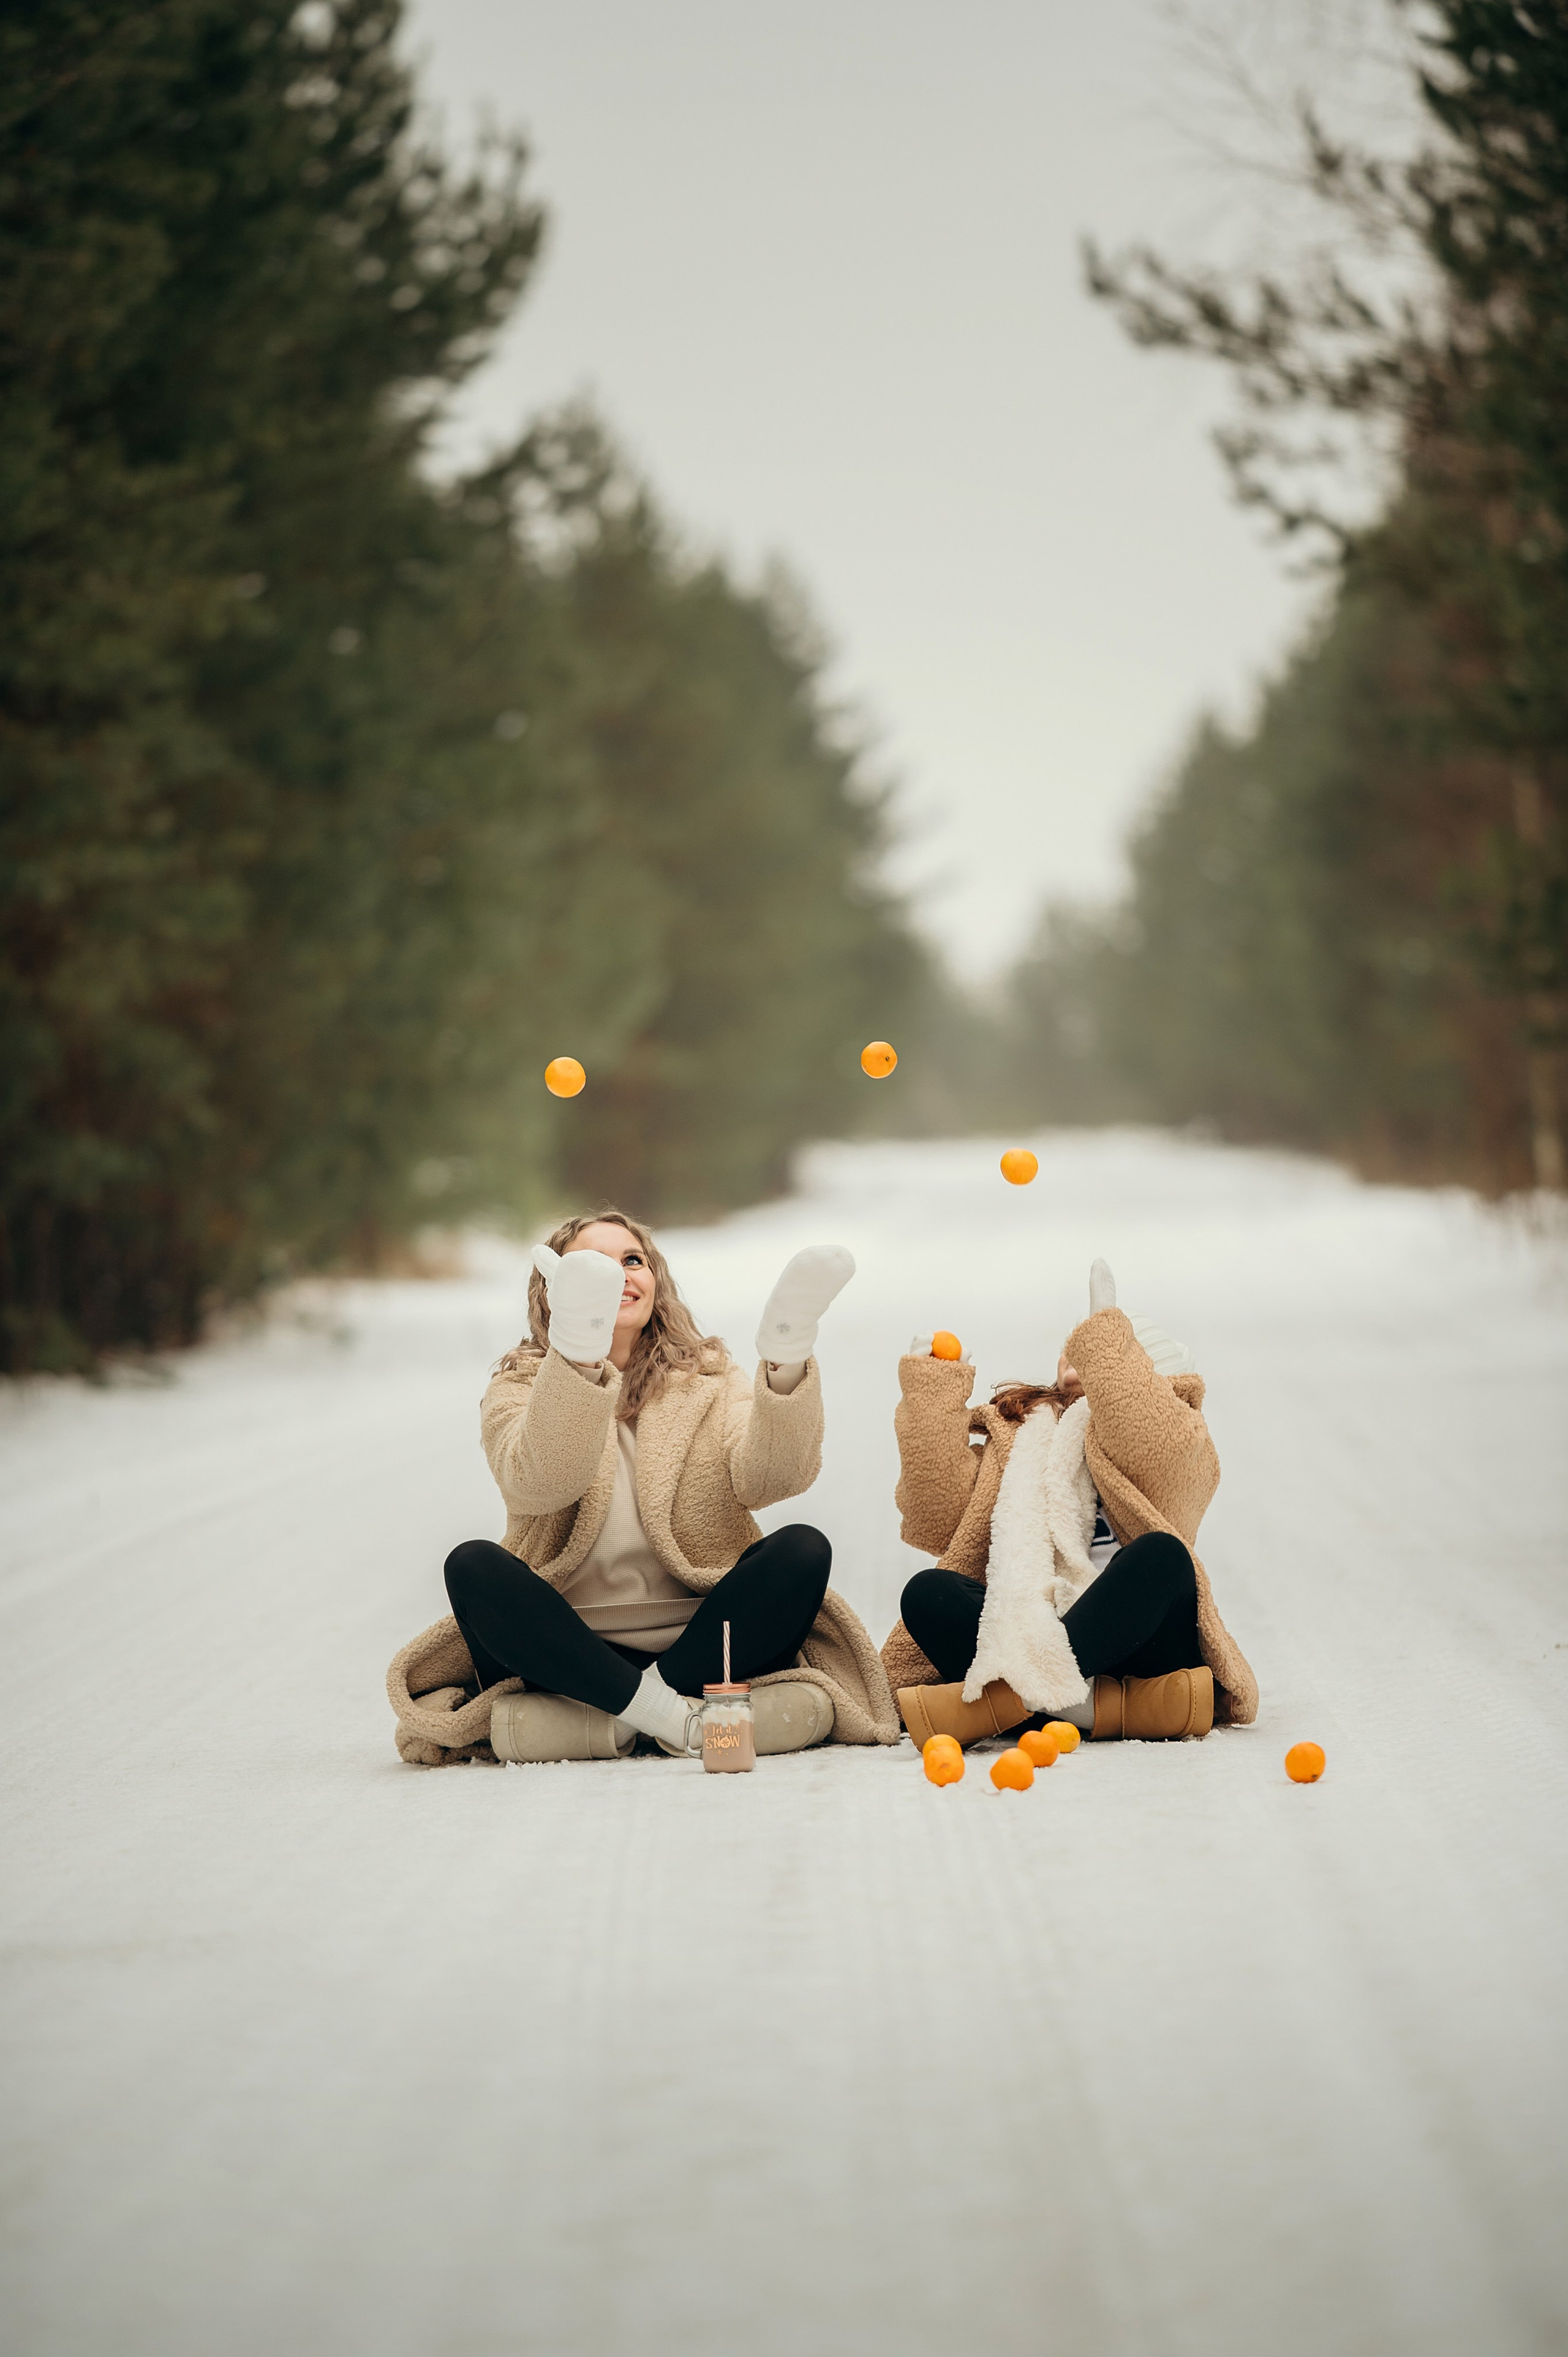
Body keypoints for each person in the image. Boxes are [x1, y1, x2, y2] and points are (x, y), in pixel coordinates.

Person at [387, 1209, 900, 1765]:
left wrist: (787, 1360)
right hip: (568, 1651)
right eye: (594, 1265)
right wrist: (579, 1352)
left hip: (699, 1642)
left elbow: (772, 1478)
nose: (620, 1275)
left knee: (803, 1548)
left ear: (656, 1280)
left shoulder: (709, 1379)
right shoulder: (519, 1387)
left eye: (632, 1260)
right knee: (472, 1565)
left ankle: (628, 1716)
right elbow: (540, 1484)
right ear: (554, 1291)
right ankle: (677, 1720)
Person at [880, 1259, 1257, 1746]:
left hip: (1142, 1646)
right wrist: (931, 1401)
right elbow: (937, 1519)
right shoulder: (1023, 1437)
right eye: (1073, 1347)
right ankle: (1117, 1709)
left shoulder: (1182, 1445)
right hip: (1033, 1625)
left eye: (1095, 1349)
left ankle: (1006, 1705)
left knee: (1163, 1557)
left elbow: (1146, 1433)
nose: (1076, 1357)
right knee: (928, 1594)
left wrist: (1107, 1349)